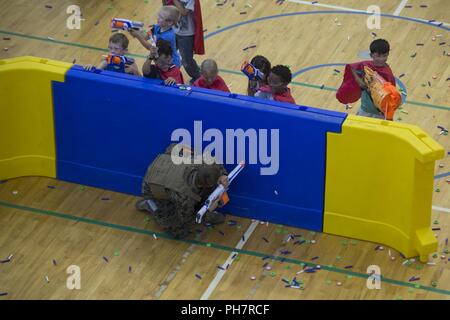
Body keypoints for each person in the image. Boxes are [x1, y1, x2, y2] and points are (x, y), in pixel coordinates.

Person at [136, 144, 229, 238]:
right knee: (179, 231)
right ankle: (151, 205)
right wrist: (208, 211)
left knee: (199, 196)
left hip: (163, 167)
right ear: (205, 185)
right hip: (151, 188)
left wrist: (223, 175)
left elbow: (173, 146)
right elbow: (187, 221)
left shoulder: (200, 162)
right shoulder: (185, 196)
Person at [336, 39, 398, 120]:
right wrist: (360, 81)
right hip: (364, 110)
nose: (381, 59)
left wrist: (389, 117)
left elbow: (391, 97)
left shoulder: (388, 73)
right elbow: (352, 68)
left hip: (380, 114)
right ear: (371, 55)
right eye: (378, 56)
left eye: (385, 56)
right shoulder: (365, 65)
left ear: (388, 54)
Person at [169, 0, 205, 84]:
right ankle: (171, 74)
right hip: (174, 30)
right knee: (169, 53)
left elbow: (184, 12)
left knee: (186, 60)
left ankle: (198, 76)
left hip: (186, 34)